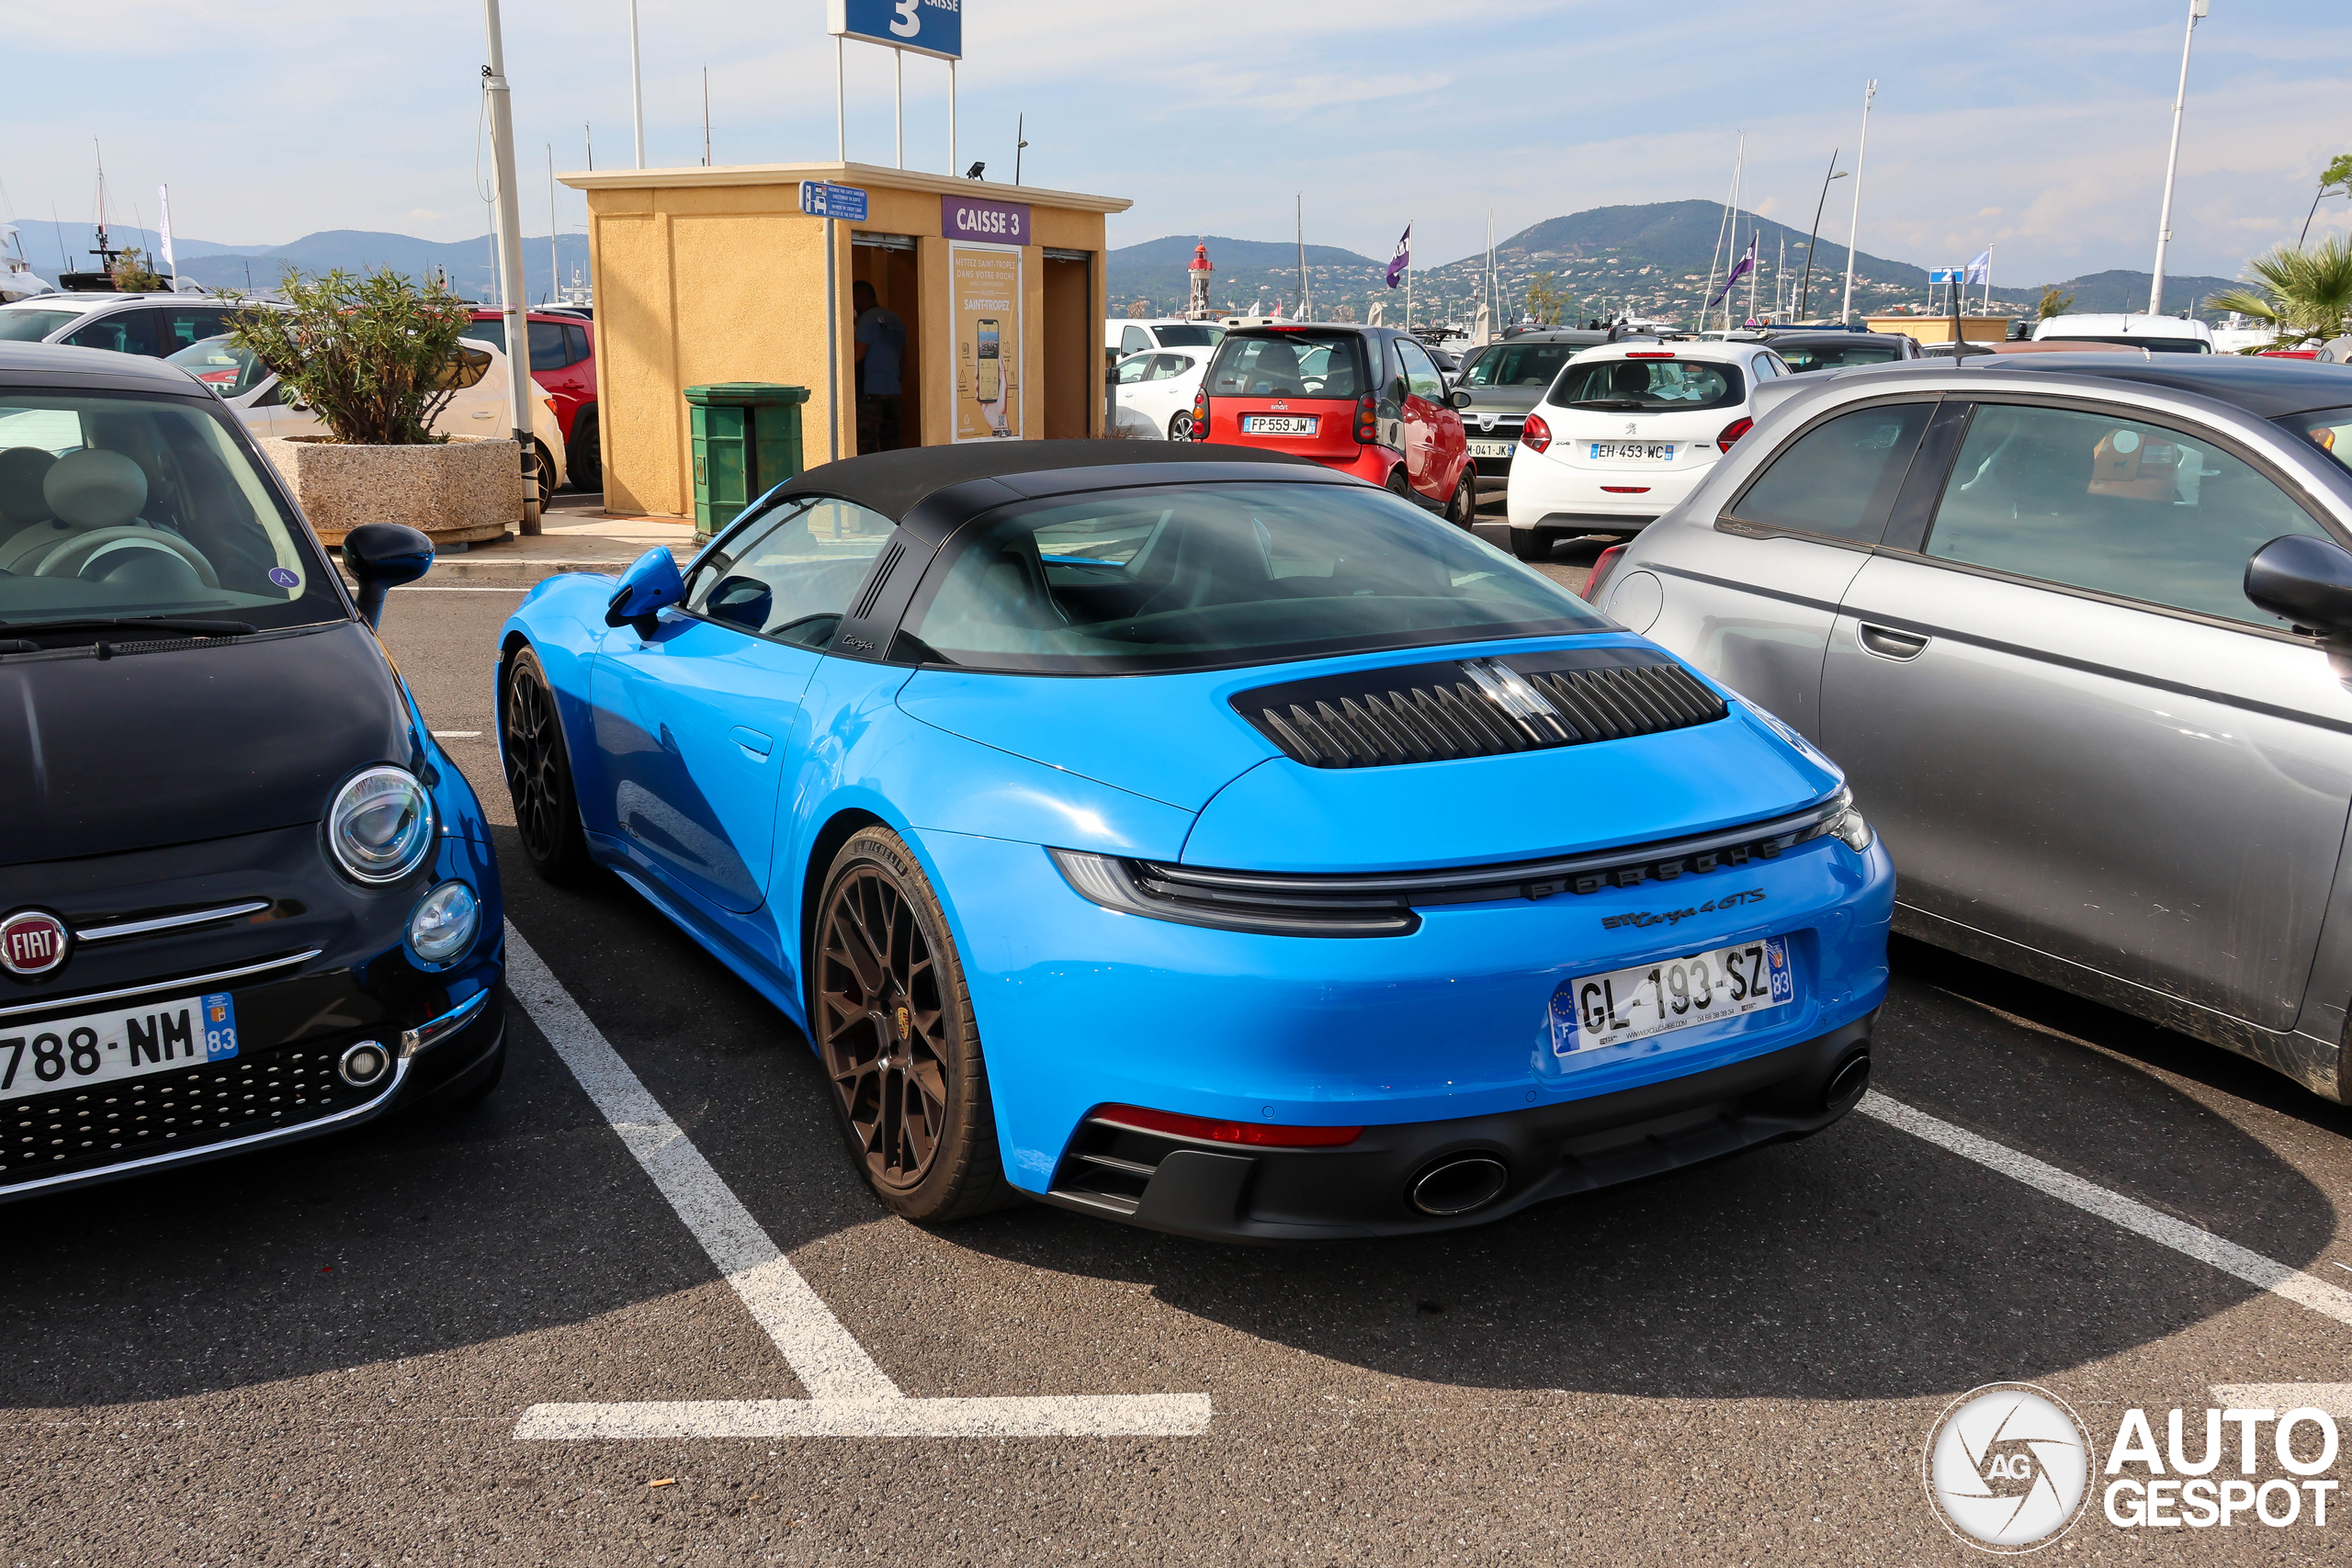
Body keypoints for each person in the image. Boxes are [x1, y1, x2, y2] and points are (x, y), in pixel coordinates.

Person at [853, 280, 906, 453]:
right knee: (892, 445)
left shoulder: (867, 320)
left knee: (866, 446)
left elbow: (857, 355)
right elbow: (904, 358)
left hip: (871, 393)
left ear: (859, 297)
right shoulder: (896, 319)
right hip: (894, 391)